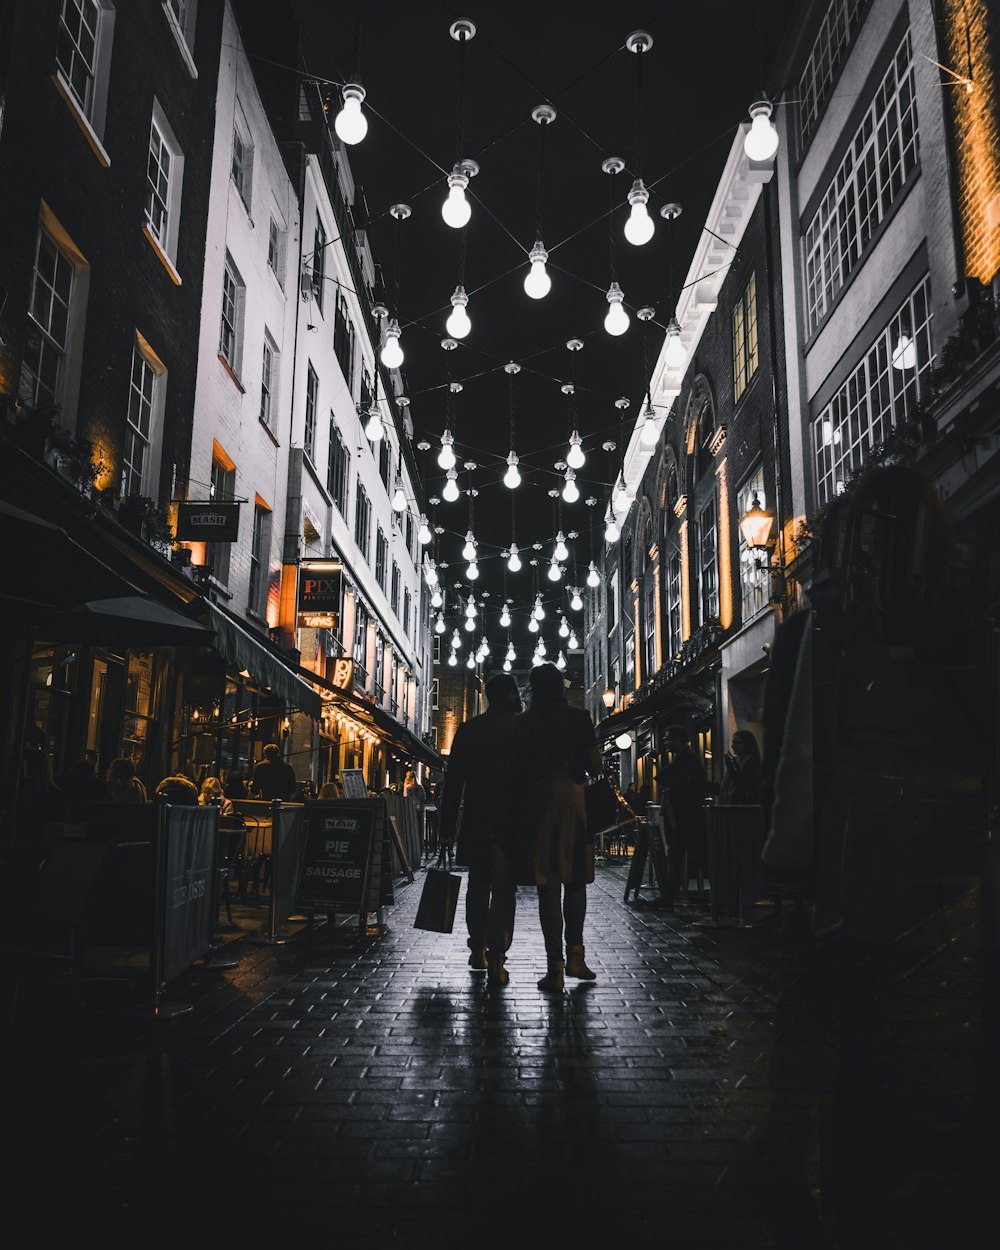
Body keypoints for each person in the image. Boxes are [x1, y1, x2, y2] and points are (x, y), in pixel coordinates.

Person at [512, 661, 602, 993]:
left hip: (536, 804)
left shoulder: (524, 723)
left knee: (547, 885)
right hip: (573, 800)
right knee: (576, 881)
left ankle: (556, 968)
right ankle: (576, 955)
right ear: (561, 687)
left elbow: (515, 769)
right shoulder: (579, 718)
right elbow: (595, 765)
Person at [439, 672, 522, 984]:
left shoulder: (469, 730)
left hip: (476, 818)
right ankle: (498, 955)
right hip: (511, 820)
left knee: (478, 884)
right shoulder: (520, 728)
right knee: (504, 889)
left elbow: (454, 782)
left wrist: (447, 826)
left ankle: (477, 948)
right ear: (512, 695)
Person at [651, 725, 708, 910]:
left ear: (678, 739)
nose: (665, 742)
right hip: (681, 817)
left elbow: (696, 786)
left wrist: (676, 789)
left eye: (668, 738)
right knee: (677, 856)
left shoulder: (688, 759)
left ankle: (720, 896)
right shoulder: (679, 758)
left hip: (688, 816)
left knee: (698, 856)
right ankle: (669, 895)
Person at [718, 730, 763, 805]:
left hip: (741, 809)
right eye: (733, 742)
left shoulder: (751, 763)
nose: (732, 746)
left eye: (737, 742)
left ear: (746, 744)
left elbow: (742, 786)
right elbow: (727, 787)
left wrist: (731, 767)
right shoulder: (737, 761)